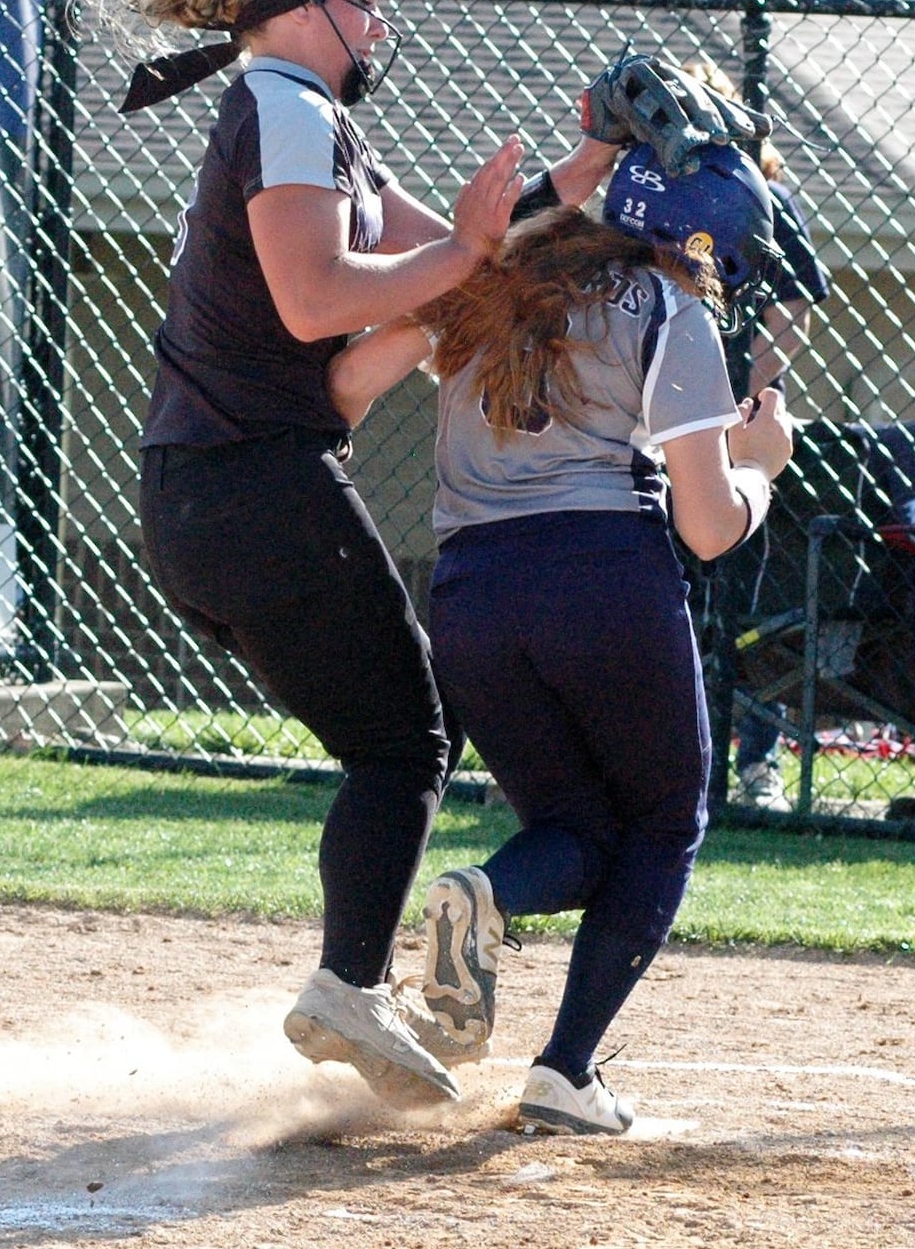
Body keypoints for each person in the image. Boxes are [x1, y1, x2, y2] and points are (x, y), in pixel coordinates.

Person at [69, 0, 623, 1110]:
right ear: (303, 2)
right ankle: (347, 986)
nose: (379, 23)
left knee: (398, 734)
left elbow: (479, 263)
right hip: (251, 486)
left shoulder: (312, 120)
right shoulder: (278, 102)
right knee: (406, 737)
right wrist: (460, 263)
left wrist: (600, 155)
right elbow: (322, 299)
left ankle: (352, 981)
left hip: (225, 492)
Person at [326, 140, 794, 1132]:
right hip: (604, 575)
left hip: (468, 591)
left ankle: (483, 891)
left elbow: (351, 378)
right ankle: (564, 1069)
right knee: (667, 820)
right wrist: (760, 466)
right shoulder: (669, 307)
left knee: (578, 830)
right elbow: (707, 527)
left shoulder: (483, 275)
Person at [684, 56, 832, 812]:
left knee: (750, 597)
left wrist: (739, 394)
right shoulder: (650, 195)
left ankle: (756, 762)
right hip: (662, 418)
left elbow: (796, 307)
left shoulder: (766, 197)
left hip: (740, 416)